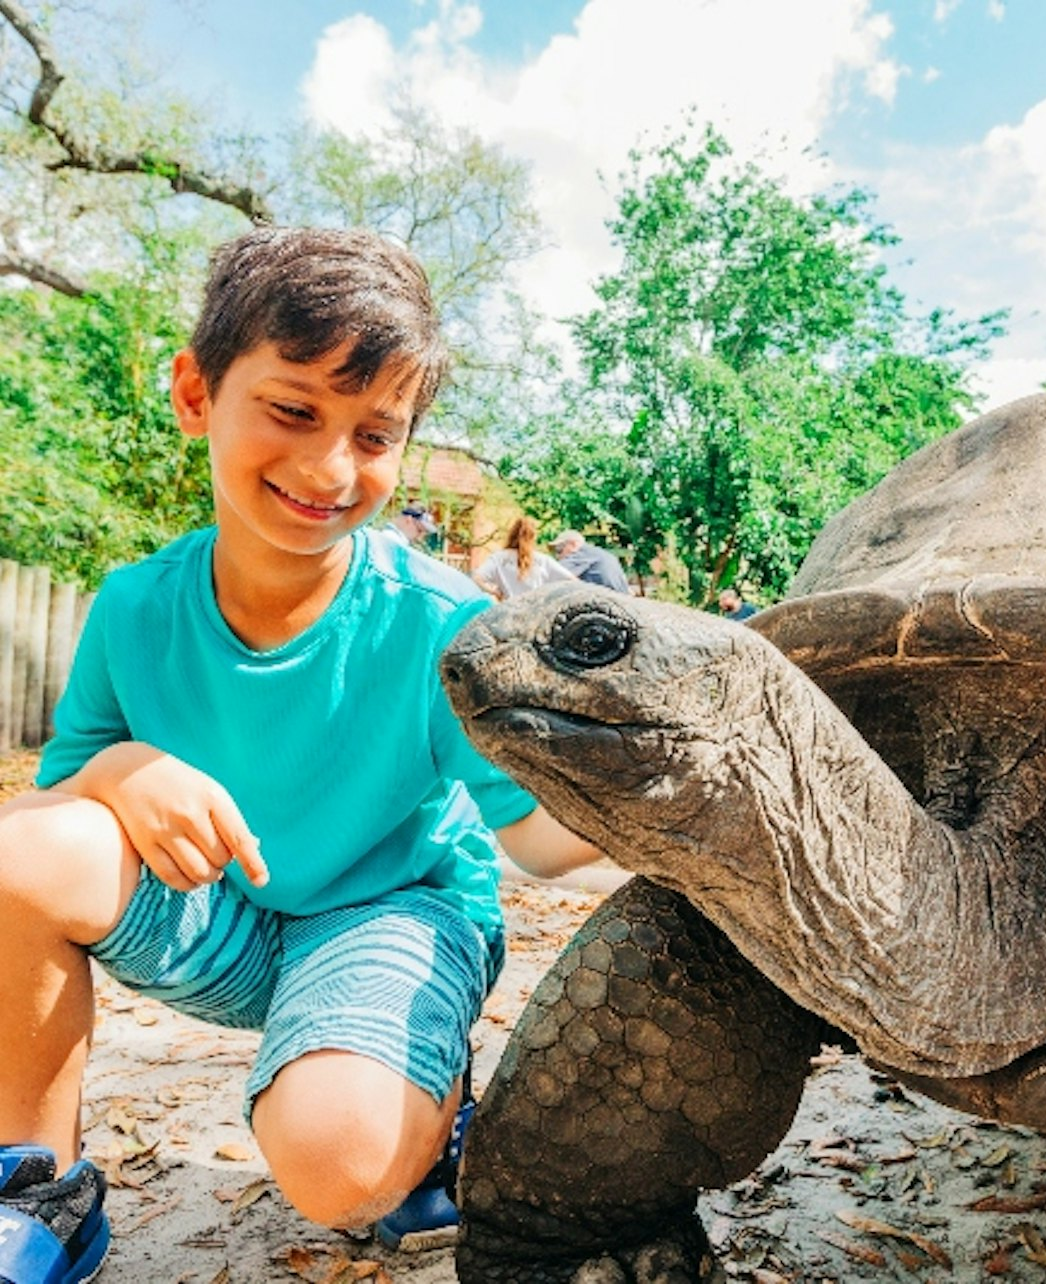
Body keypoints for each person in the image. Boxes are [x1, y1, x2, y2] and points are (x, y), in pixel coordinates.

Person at [0, 226, 603, 1281]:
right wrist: (122, 770)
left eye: (376, 434)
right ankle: (37, 1188)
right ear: (196, 394)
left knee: (341, 1169)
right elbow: (59, 803)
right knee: (14, 856)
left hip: (391, 910)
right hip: (223, 914)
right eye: (293, 410)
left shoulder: (442, 625)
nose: (330, 467)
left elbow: (545, 842)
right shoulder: (136, 605)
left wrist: (695, 799)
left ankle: (424, 1093)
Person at [473, 516, 577, 599]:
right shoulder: (543, 560)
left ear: (511, 535)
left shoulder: (498, 558)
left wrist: (495, 592)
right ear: (533, 537)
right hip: (535, 614)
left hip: (508, 613)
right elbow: (572, 580)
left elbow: (477, 578)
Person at [550, 529, 630, 593]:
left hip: (606, 599)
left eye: (559, 550)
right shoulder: (600, 553)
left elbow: (552, 573)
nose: (557, 556)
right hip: (621, 596)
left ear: (573, 544)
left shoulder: (580, 553)